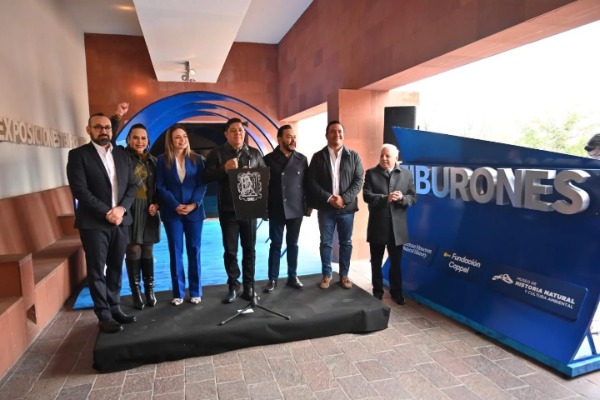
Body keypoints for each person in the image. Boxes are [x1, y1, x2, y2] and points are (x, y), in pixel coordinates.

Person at [66, 113, 137, 333]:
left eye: (107, 127)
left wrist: (121, 209)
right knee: (97, 270)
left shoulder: (122, 155)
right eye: (98, 127)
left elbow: (133, 185)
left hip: (120, 221)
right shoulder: (78, 155)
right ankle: (103, 315)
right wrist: (108, 212)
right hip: (94, 223)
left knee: (116, 266)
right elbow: (80, 190)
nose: (103, 131)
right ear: (89, 130)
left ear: (112, 130)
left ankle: (115, 307)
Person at [204, 118, 267, 303]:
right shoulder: (217, 153)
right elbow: (205, 176)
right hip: (227, 208)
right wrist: (224, 169)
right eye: (233, 130)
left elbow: (265, 177)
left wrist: (252, 174)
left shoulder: (254, 153)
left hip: (249, 208)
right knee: (230, 250)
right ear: (226, 134)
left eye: (240, 130)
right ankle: (233, 285)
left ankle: (249, 286)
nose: (238, 133)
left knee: (249, 249)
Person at [307, 120, 364, 290]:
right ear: (326, 135)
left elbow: (358, 181)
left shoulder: (354, 156)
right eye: (333, 131)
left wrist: (343, 199)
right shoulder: (318, 157)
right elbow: (311, 182)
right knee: (326, 242)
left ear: (343, 135)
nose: (337, 134)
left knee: (346, 242)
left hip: (347, 209)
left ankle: (344, 275)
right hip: (326, 208)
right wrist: (330, 198)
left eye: (340, 131)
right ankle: (327, 275)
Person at [156, 125, 207, 306]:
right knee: (175, 251)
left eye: (184, 136)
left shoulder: (198, 159)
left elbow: (202, 184)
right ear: (170, 140)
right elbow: (161, 186)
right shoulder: (162, 160)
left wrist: (194, 204)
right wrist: (175, 205)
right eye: (177, 137)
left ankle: (195, 291)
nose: (182, 140)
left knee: (194, 251)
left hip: (194, 212)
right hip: (173, 212)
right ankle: (178, 293)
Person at [363, 144, 416, 305]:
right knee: (376, 262)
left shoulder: (406, 174)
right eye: (382, 155)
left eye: (387, 156)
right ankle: (377, 292)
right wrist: (385, 198)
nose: (384, 158)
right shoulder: (371, 173)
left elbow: (413, 197)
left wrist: (402, 199)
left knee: (396, 263)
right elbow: (366, 196)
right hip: (378, 226)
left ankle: (396, 293)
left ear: (396, 158)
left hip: (397, 229)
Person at [262, 125, 310, 293]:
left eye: (294, 137)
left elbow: (307, 184)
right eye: (289, 137)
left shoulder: (302, 159)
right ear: (279, 139)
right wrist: (263, 208)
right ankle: (272, 279)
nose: (293, 140)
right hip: (276, 207)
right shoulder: (268, 159)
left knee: (293, 243)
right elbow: (263, 186)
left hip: (296, 208)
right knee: (275, 244)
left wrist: (309, 205)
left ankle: (292, 276)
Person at [121, 123, 161, 310]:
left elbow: (160, 187)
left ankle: (149, 290)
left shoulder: (154, 161)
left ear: (148, 141)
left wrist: (157, 203)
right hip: (129, 208)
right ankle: (136, 292)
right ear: (128, 139)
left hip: (148, 209)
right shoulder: (121, 157)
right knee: (133, 249)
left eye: (143, 138)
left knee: (147, 248)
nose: (139, 141)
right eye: (135, 137)